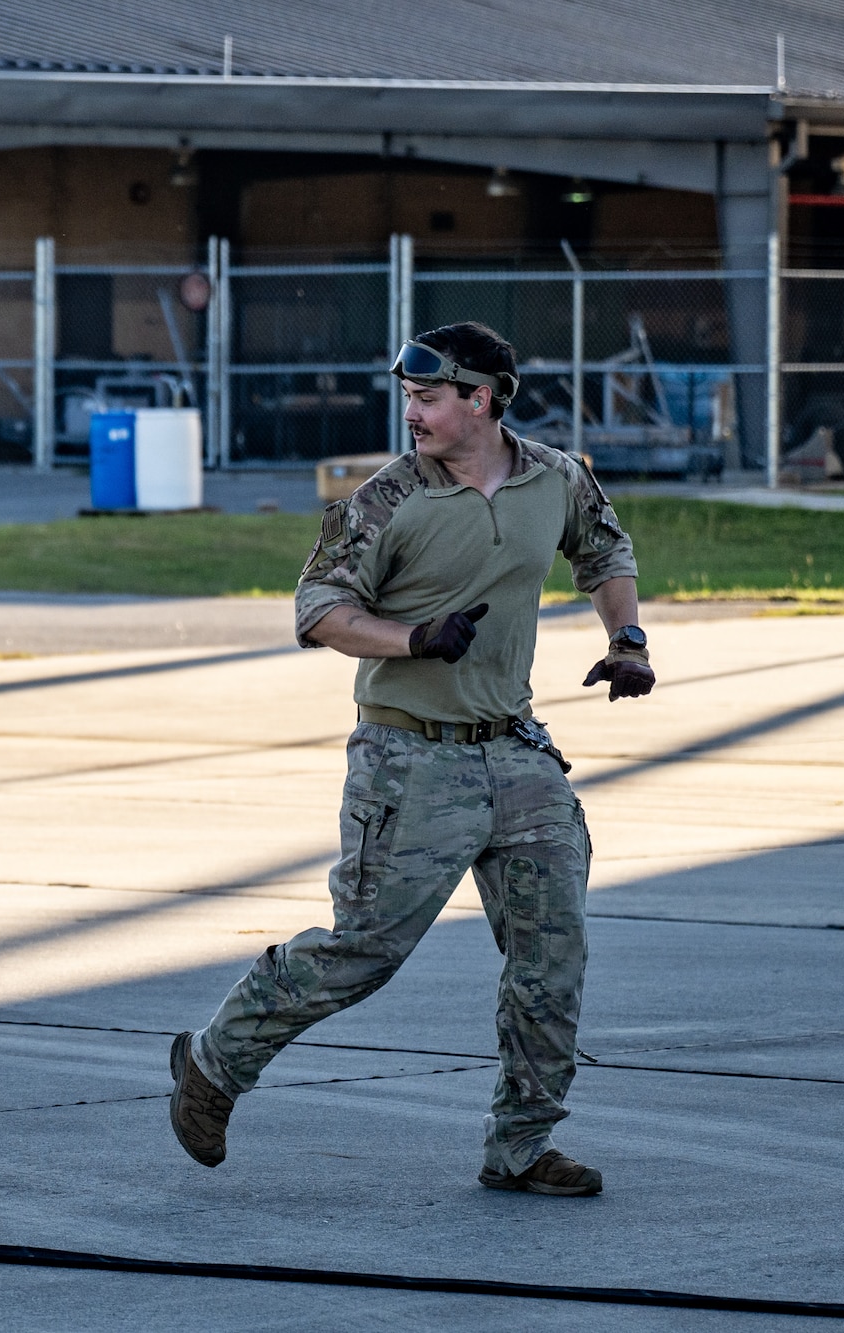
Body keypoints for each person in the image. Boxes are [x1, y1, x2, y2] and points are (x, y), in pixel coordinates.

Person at [168, 321, 653, 1197]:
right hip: (409, 758)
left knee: (554, 954)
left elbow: (604, 549)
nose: (412, 413)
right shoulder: (386, 500)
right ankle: (214, 1061)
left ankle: (521, 1145)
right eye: (409, 396)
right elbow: (317, 611)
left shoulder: (557, 477)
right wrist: (413, 638)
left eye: (430, 397)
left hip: (516, 749)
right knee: (364, 950)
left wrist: (627, 637)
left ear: (484, 398)